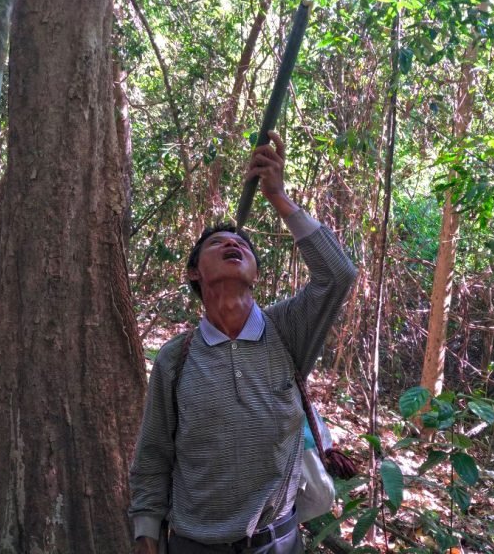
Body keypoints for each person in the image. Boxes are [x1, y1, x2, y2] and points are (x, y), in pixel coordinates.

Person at [129, 131, 357, 554]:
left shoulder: (286, 332)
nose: (232, 243)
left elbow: (338, 274)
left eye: (241, 245)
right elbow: (154, 454)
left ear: (254, 274)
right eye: (217, 243)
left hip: (277, 542)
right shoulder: (176, 358)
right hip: (195, 545)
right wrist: (146, 533)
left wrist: (278, 198)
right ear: (195, 273)